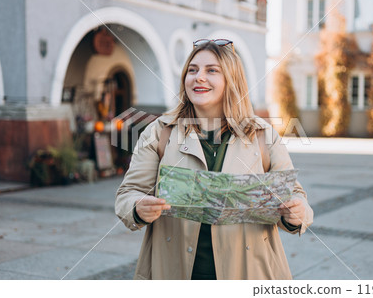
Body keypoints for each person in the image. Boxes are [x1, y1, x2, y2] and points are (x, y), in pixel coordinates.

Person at [115, 39, 313, 280]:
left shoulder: (262, 135)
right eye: (192, 69)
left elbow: (294, 196)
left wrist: (296, 212)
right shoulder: (160, 132)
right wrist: (137, 207)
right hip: (174, 273)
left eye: (212, 70)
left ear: (231, 80)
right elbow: (128, 193)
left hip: (250, 274)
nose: (199, 77)